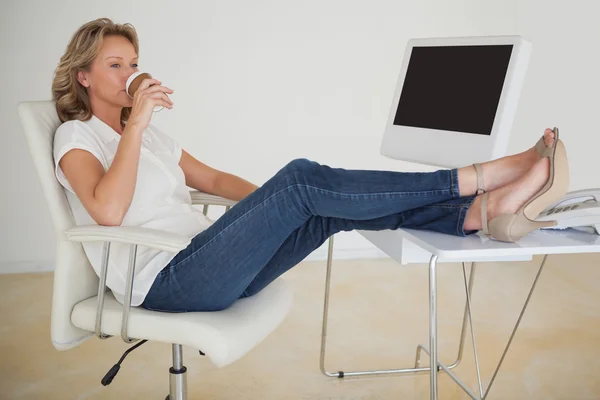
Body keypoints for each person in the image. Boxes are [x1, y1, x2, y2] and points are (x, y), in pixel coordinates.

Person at [51, 18, 569, 313]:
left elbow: (210, 180)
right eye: (115, 66)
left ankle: (477, 212)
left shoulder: (150, 135)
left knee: (319, 207)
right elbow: (109, 213)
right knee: (301, 177)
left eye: (134, 65)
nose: (129, 75)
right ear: (83, 78)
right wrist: (135, 126)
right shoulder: (78, 137)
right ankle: (480, 176)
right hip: (167, 279)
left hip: (211, 259)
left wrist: (270, 212)